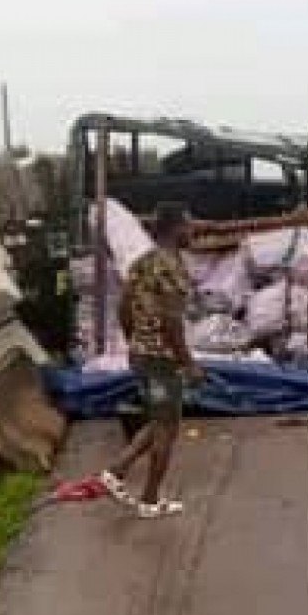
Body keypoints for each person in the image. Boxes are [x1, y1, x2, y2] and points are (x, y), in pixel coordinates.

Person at [100, 203, 203, 518]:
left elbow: (123, 308)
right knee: (166, 430)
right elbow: (172, 322)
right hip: (162, 363)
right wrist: (188, 364)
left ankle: (115, 472)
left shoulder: (141, 263)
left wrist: (135, 341)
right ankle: (149, 500)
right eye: (188, 225)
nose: (192, 231)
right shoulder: (172, 267)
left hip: (142, 357)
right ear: (175, 228)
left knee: (159, 420)